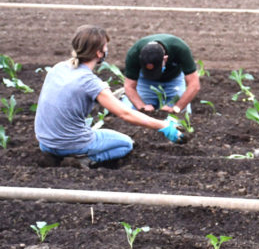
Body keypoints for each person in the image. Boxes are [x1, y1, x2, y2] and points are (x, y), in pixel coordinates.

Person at [35, 25, 186, 168]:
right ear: (99, 53)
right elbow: (125, 114)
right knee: (125, 144)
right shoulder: (90, 82)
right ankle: (86, 160)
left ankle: (57, 154)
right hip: (71, 143)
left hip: (45, 143)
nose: (107, 50)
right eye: (105, 47)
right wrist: (163, 126)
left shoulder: (58, 68)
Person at [123, 34, 200, 114]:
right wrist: (142, 107)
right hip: (146, 82)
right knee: (137, 114)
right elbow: (129, 86)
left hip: (173, 79)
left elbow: (194, 84)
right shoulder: (134, 53)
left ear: (165, 59)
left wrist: (177, 108)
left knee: (183, 114)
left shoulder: (180, 49)